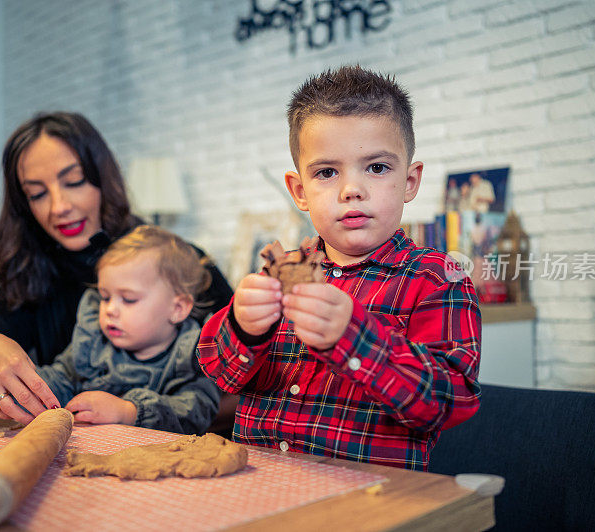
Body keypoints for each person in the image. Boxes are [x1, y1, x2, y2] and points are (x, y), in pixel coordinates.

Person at [197, 65, 481, 471]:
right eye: (327, 172)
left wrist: (355, 337)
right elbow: (221, 375)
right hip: (257, 488)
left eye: (377, 167)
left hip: (369, 499)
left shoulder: (437, 278)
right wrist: (242, 327)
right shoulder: (280, 273)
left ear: (410, 181)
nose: (351, 189)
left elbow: (451, 402)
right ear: (300, 191)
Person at [0, 112, 232, 423]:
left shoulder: (182, 266)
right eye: (38, 194)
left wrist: (131, 412)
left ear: (102, 180)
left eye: (74, 182)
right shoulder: (32, 274)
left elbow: (241, 389)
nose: (59, 207)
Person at [36, 226, 217, 433]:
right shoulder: (93, 340)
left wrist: (129, 411)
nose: (110, 310)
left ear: (177, 308)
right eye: (105, 297)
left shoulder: (191, 356)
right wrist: (32, 389)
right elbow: (62, 378)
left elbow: (196, 413)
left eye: (129, 299)